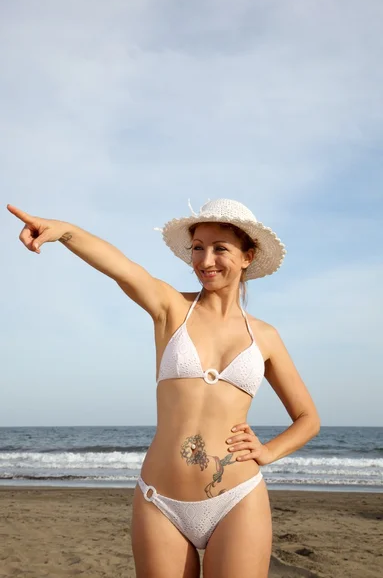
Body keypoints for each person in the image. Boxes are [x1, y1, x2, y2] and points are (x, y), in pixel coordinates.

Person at [7, 198, 320, 578]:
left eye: (220, 248)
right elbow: (123, 269)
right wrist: (65, 231)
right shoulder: (171, 309)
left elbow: (308, 418)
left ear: (247, 256)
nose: (205, 261)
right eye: (198, 248)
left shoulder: (265, 337)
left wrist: (268, 451)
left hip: (237, 500)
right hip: (161, 502)